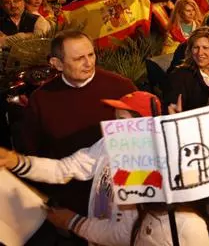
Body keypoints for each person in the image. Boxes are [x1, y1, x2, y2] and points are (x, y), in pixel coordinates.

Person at [1, 92, 209, 245]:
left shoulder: (150, 173)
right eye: (115, 118)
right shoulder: (108, 144)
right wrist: (17, 162)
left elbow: (125, 234)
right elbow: (65, 168)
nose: (113, 126)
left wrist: (73, 222)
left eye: (121, 120)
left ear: (145, 125)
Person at [19, 31, 136, 229]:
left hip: (121, 202)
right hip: (70, 203)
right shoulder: (41, 99)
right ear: (57, 63)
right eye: (79, 58)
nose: (89, 63)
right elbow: (33, 151)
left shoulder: (121, 88)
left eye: (91, 55)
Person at [166, 26, 209, 112]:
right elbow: (175, 113)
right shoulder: (180, 76)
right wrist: (207, 107)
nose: (200, 53)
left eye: (205, 48)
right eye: (196, 47)